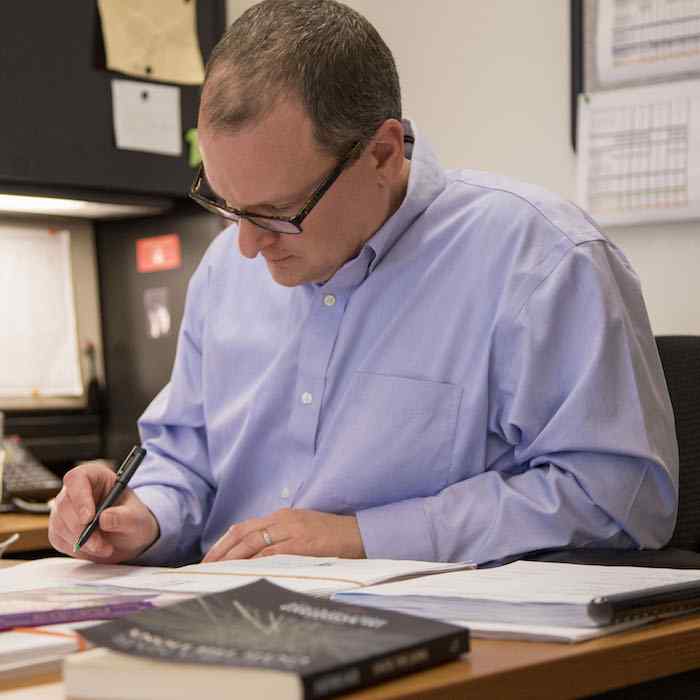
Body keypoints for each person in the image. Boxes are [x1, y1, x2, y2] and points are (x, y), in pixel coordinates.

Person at [48, 0, 678, 567]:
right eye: (226, 205)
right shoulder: (226, 270)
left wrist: (364, 536)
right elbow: (185, 462)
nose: (244, 244)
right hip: (228, 616)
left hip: (447, 642)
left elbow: (618, 498)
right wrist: (145, 514)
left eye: (275, 212)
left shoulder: (541, 260)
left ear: (382, 153)